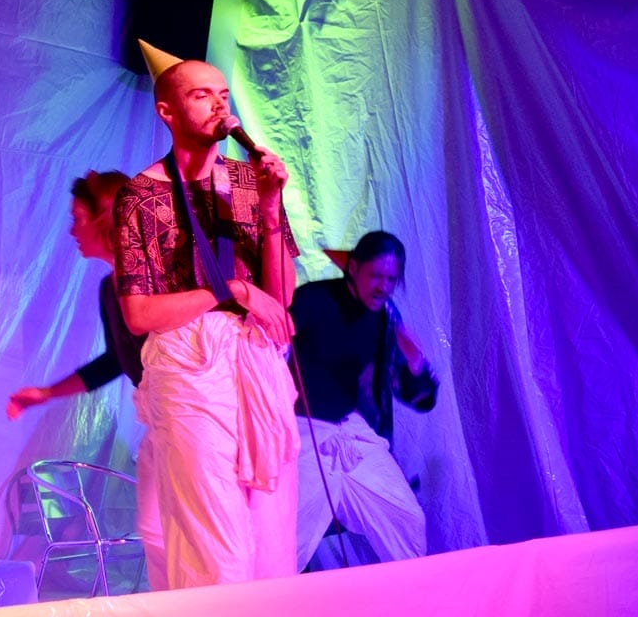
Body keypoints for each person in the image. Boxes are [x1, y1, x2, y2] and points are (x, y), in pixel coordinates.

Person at [113, 40, 301, 589]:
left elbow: (281, 298)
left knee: (269, 538)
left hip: (255, 363)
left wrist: (270, 210)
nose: (219, 106)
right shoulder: (140, 195)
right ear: (168, 111)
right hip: (188, 365)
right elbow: (140, 313)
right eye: (201, 95)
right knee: (215, 542)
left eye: (223, 95)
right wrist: (235, 292)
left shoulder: (248, 183)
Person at [291, 231, 437, 571]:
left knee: (405, 516)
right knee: (289, 537)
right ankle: (266, 612)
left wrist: (415, 365)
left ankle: (418, 604)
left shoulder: (385, 319)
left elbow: (416, 397)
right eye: (376, 276)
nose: (383, 287)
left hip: (349, 432)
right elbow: (270, 355)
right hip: (300, 433)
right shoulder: (311, 300)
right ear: (353, 268)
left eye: (391, 279)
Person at [6, 170, 145, 420]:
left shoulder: (158, 281)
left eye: (78, 218)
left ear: (107, 217)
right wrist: (47, 393)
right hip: (158, 413)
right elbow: (115, 361)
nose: (72, 232)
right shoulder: (109, 290)